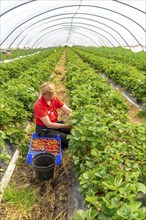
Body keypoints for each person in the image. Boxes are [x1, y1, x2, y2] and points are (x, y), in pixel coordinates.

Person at [34, 82, 72, 148]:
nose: (52, 97)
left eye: (52, 94)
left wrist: (76, 116)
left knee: (74, 131)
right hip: (45, 129)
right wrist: (66, 126)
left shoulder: (54, 99)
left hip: (55, 124)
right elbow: (48, 124)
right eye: (49, 95)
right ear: (44, 95)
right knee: (69, 140)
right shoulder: (39, 106)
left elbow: (67, 110)